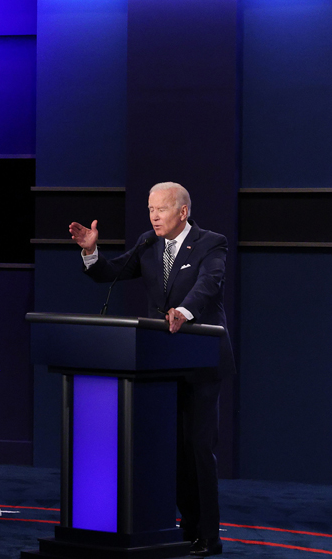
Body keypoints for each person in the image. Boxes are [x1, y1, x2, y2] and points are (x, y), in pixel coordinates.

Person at [68, 182, 234, 557]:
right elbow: (110, 272)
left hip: (202, 361)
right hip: (161, 363)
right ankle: (184, 527)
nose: (154, 216)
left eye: (161, 209)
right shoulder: (148, 244)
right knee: (173, 450)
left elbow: (210, 284)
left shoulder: (211, 243)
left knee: (198, 448)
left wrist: (185, 311)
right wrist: (91, 252)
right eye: (150, 209)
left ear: (183, 212)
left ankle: (208, 535)